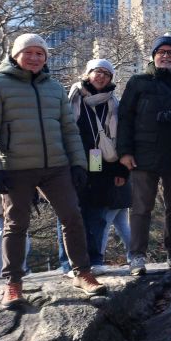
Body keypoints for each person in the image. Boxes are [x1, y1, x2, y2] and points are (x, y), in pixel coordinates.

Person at [0, 34, 106, 305]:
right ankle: (13, 283)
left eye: (40, 53)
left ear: (46, 58)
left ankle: (82, 272)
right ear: (15, 55)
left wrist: (79, 163)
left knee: (73, 217)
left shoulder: (55, 88)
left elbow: (69, 130)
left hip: (56, 166)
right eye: (29, 52)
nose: (35, 58)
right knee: (15, 225)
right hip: (15, 167)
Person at [117, 35, 171, 275]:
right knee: (141, 207)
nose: (165, 56)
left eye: (170, 53)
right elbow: (125, 119)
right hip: (143, 154)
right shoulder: (137, 82)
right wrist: (125, 152)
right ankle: (137, 256)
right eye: (161, 52)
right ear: (153, 56)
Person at [68, 58, 130, 273]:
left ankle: (95, 260)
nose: (101, 76)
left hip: (101, 161)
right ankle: (69, 263)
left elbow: (120, 136)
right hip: (73, 160)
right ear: (88, 73)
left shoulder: (113, 102)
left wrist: (121, 169)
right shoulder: (72, 97)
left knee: (97, 214)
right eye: (97, 71)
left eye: (106, 73)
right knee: (71, 213)